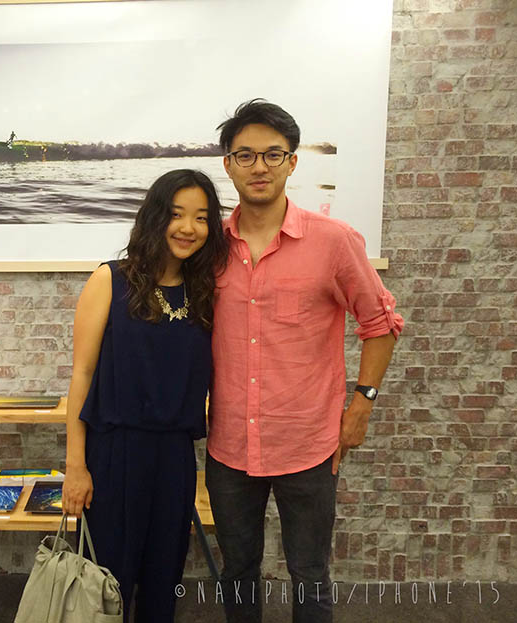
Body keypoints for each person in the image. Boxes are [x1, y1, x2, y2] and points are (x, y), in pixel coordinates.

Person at [205, 98, 403, 623]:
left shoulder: (333, 242)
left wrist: (362, 404)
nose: (260, 167)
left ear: (293, 162)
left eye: (273, 154)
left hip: (309, 443)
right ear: (228, 165)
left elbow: (381, 324)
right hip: (229, 444)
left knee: (310, 573)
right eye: (245, 155)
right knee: (238, 570)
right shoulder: (210, 247)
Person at [62, 169, 229, 622]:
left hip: (175, 457)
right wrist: (75, 467)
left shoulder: (204, 292)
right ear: (156, 217)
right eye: (177, 214)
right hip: (114, 454)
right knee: (104, 585)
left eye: (201, 217)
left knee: (163, 581)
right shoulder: (111, 279)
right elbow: (82, 374)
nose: (189, 228)